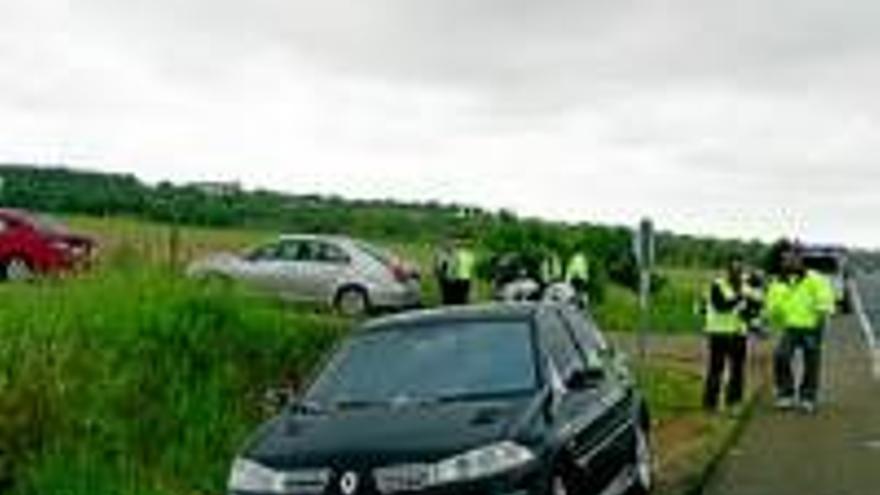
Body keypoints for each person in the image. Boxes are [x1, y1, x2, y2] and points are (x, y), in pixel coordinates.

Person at [765, 241, 836, 414]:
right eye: (784, 259)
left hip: (812, 326)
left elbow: (825, 299)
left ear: (799, 259)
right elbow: (772, 305)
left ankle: (807, 397)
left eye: (790, 258)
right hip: (790, 327)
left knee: (811, 362)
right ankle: (785, 394)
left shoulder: (815, 279)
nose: (787, 262)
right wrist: (773, 315)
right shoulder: (777, 282)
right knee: (781, 356)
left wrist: (820, 319)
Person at [702, 255, 750, 413]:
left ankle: (733, 402)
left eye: (740, 267)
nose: (737, 271)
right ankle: (710, 404)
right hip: (719, 334)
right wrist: (739, 298)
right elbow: (721, 306)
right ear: (728, 269)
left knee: (737, 370)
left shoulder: (744, 286)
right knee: (716, 369)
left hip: (739, 333)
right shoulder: (718, 285)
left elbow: (751, 308)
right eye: (734, 267)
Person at [447, 239, 476, 305]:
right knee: (465, 294)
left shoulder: (457, 254)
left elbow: (454, 265)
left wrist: (451, 274)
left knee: (458, 295)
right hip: (467, 277)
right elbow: (472, 267)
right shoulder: (471, 255)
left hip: (458, 276)